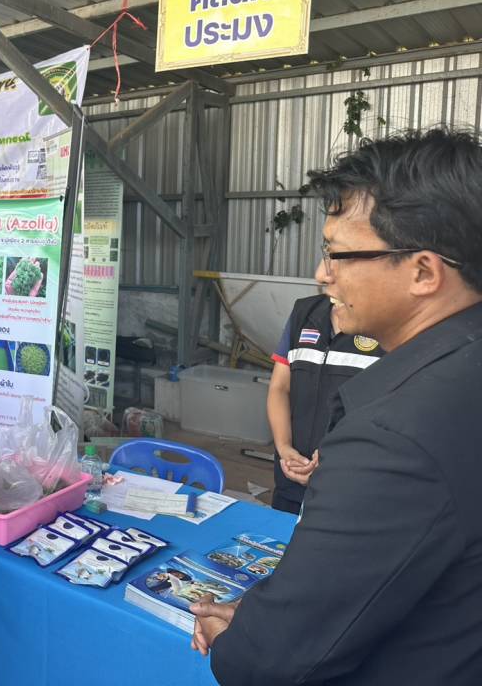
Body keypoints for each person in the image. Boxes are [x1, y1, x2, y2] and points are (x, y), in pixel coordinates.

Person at [190, 129, 482, 685]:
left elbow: (274, 662)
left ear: (423, 272)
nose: (323, 274)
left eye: (336, 253)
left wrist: (240, 639)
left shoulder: (394, 438)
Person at [267, 294, 384, 514]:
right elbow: (279, 388)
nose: (324, 276)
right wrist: (284, 448)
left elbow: (390, 411)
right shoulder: (304, 312)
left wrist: (335, 459)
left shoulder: (387, 320)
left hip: (350, 487)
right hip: (291, 477)